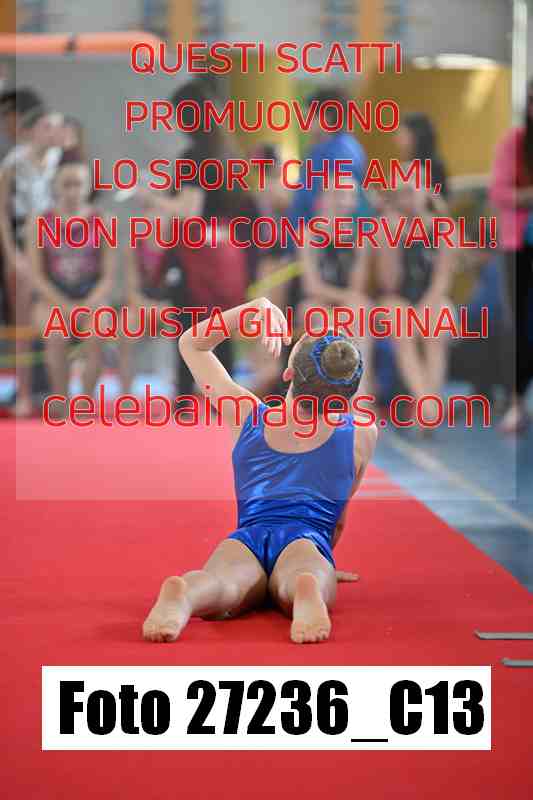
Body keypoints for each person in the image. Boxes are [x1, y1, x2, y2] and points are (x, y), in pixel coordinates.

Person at [143, 297, 377, 644]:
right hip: (307, 537)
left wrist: (253, 308)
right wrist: (322, 560)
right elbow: (338, 518)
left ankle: (187, 593)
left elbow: (191, 344)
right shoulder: (360, 433)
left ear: (288, 374)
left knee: (223, 583)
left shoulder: (246, 414)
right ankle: (306, 588)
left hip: (249, 535)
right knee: (303, 573)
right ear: (346, 395)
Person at [27, 156, 114, 414]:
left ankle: (85, 402)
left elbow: (108, 276)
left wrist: (87, 304)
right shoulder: (39, 222)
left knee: (97, 334)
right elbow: (36, 275)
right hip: (53, 295)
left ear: (88, 187)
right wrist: (64, 306)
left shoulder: (103, 220)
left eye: (78, 184)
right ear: (55, 186)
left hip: (90, 294)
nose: (72, 191)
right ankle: (61, 400)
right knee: (56, 334)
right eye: (66, 184)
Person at [0, 106, 64, 415]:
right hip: (24, 240)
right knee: (23, 321)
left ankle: (52, 390)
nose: (55, 133)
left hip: (54, 243)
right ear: (33, 130)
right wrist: (11, 253)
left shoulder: (58, 159)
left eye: (57, 127)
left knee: (52, 318)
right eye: (48, 127)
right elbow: (1, 212)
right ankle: (24, 393)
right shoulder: (15, 162)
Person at [376, 176, 455, 425]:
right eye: (401, 193)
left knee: (437, 326)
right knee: (402, 325)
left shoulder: (444, 228)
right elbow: (389, 283)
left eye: (411, 191)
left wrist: (424, 307)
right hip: (397, 300)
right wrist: (392, 241)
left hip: (432, 298)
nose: (407, 199)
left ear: (425, 192)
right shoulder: (388, 229)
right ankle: (427, 405)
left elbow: (442, 279)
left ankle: (427, 408)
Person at [490, 79, 533, 433]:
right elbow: (499, 193)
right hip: (519, 246)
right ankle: (516, 401)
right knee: (518, 324)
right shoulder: (514, 143)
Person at [396, 112, 449, 202]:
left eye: (402, 136)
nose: (397, 141)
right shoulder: (407, 166)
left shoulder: (432, 167)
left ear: (416, 137)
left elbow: (439, 200)